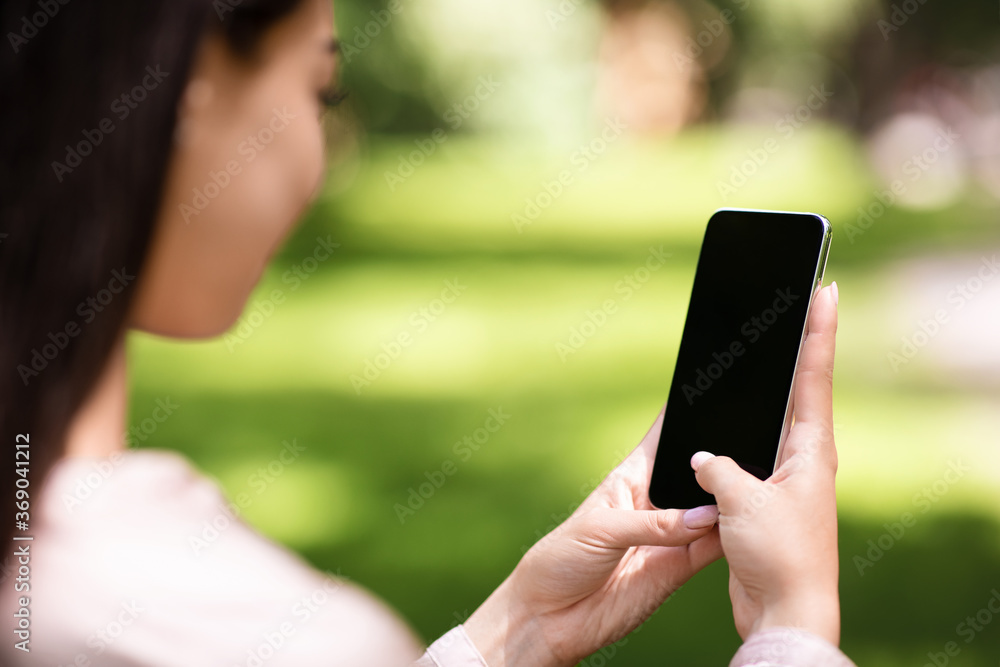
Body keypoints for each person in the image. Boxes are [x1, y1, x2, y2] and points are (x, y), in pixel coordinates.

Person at [0, 0, 855, 664]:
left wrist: (516, 631)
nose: (323, 151)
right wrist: (794, 624)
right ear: (189, 90)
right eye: (319, 88)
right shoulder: (255, 634)